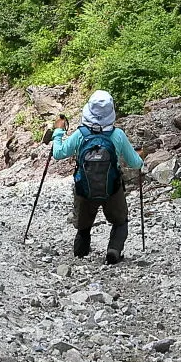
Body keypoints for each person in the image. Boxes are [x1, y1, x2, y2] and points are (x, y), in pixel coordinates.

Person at [51, 90, 143, 264]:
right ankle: (114, 250)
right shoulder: (118, 135)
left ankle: (80, 254)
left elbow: (58, 153)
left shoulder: (80, 134)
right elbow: (135, 163)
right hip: (112, 190)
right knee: (120, 221)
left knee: (83, 226)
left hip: (84, 189)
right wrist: (141, 157)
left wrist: (58, 132)